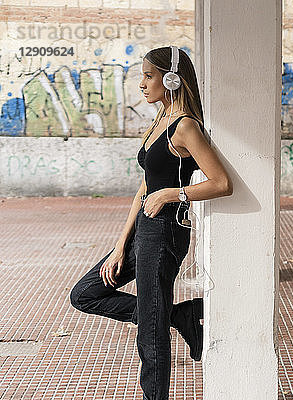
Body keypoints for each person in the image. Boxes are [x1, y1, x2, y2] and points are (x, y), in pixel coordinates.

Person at [69, 46, 233, 400]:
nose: (141, 84)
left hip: (165, 232)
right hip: (143, 230)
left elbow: (220, 182)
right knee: (85, 293)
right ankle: (181, 316)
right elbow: (144, 187)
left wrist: (174, 193)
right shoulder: (159, 120)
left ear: (171, 79)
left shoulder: (185, 126)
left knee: (150, 332)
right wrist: (119, 244)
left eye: (149, 76)